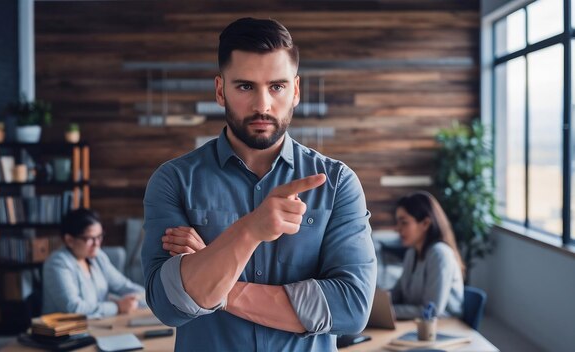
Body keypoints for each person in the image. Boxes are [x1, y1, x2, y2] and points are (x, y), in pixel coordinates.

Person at [142, 17, 377, 351]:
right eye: (245, 86)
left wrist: (215, 277)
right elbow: (168, 306)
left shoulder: (338, 184)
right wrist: (250, 230)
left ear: (295, 90)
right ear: (221, 90)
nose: (263, 105)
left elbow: (351, 308)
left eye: (276, 87)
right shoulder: (172, 181)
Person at [42, 208, 145, 318]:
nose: (97, 244)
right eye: (90, 238)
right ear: (69, 240)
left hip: (98, 325)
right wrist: (117, 306)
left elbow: (122, 285)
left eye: (99, 236)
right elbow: (73, 308)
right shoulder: (57, 264)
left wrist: (150, 297)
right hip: (66, 332)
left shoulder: (97, 257)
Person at [390, 191, 465, 320]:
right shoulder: (411, 253)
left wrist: (391, 311)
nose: (397, 229)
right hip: (417, 325)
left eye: (404, 222)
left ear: (425, 223)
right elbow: (397, 293)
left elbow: (431, 310)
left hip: (445, 327)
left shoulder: (440, 254)